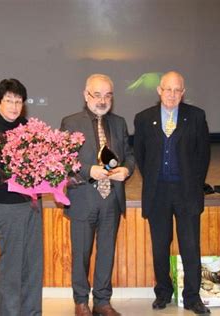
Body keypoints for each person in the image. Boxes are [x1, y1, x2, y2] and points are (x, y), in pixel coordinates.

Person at [133, 71, 211, 315]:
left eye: (177, 90)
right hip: (157, 193)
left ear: (183, 93)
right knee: (159, 246)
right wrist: (156, 179)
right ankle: (163, 293)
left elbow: (203, 155)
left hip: (186, 191)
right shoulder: (144, 118)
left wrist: (192, 183)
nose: (172, 94)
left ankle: (192, 297)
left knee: (190, 246)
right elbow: (141, 156)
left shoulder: (196, 116)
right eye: (168, 89)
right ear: (159, 90)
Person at [60, 74, 135, 316]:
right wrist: (87, 170)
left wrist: (126, 169)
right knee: (81, 254)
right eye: (97, 94)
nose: (102, 100)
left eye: (108, 95)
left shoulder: (120, 123)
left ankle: (102, 301)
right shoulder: (70, 123)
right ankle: (81, 302)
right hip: (84, 198)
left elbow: (129, 155)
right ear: (86, 95)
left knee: (106, 253)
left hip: (111, 199)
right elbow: (63, 160)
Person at [0, 78, 43, 316]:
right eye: (9, 100)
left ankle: (32, 312)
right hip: (7, 206)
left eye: (19, 101)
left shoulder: (28, 127)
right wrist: (22, 175)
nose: (14, 106)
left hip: (32, 204)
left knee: (33, 264)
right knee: (11, 266)